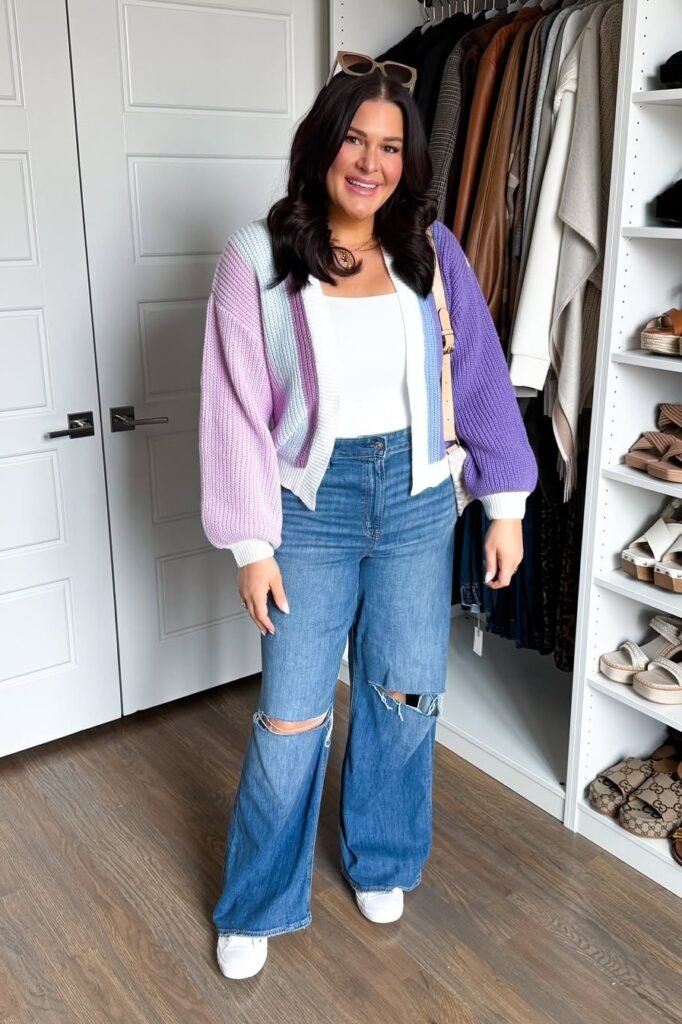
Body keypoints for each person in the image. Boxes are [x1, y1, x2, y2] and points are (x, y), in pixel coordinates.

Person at [198, 52, 538, 981]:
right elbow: (233, 409)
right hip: (311, 504)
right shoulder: (256, 259)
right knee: (292, 714)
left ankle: (382, 856)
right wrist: (250, 543)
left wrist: (502, 504)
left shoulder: (432, 252)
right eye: (355, 137)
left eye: (391, 145)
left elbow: (478, 382)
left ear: (409, 162)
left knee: (405, 694)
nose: (371, 161)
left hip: (423, 499)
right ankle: (259, 900)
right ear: (322, 144)